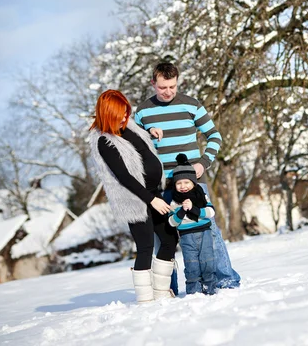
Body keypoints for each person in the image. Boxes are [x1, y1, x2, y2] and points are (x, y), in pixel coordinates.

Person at [135, 61, 240, 290]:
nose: (168, 92)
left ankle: (225, 279)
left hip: (194, 183)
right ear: (153, 83)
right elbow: (133, 145)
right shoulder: (142, 111)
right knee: (164, 239)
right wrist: (146, 135)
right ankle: (167, 289)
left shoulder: (192, 105)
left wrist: (203, 162)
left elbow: (214, 136)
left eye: (172, 86)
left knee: (209, 231)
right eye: (163, 87)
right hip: (161, 187)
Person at [89, 89, 178, 304]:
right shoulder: (104, 141)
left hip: (153, 193)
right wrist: (152, 200)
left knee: (169, 238)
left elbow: (140, 145)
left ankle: (161, 291)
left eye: (126, 112)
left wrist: (150, 130)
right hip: (136, 200)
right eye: (119, 114)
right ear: (107, 114)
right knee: (146, 246)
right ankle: (146, 300)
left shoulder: (128, 127)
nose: (123, 117)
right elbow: (124, 177)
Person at [168, 154, 216, 295]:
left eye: (186, 182)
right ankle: (194, 292)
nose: (183, 186)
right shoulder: (175, 201)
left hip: (204, 233)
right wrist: (182, 210)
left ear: (193, 182)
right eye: (179, 183)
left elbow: (211, 212)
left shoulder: (201, 196)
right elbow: (172, 222)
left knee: (208, 262)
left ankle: (210, 288)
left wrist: (194, 209)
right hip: (186, 237)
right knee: (192, 266)